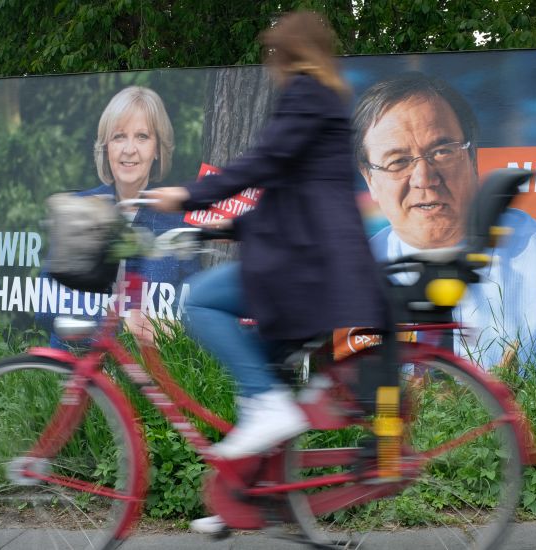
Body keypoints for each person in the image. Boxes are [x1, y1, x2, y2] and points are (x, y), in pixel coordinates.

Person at [145, 7, 385, 506]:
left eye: (274, 51)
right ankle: (242, 498)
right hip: (313, 262)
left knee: (200, 301)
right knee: (259, 375)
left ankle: (269, 412)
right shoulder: (324, 101)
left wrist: (188, 197)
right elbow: (294, 196)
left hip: (306, 270)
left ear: (292, 53)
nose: (270, 61)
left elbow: (263, 165)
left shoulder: (305, 95)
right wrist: (221, 228)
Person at [353, 72, 536, 371]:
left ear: (472, 159)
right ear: (370, 180)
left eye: (442, 152)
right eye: (398, 162)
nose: (424, 178)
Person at [39, 86, 195, 348]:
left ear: (157, 149)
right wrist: (123, 323)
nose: (129, 149)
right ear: (106, 147)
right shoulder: (80, 209)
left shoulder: (178, 222)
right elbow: (46, 307)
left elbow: (190, 313)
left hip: (144, 375)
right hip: (75, 374)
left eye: (142, 136)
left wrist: (170, 327)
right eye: (119, 137)